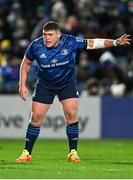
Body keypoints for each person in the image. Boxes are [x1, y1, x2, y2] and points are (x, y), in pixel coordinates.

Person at [16, 21, 131, 163]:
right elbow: (25, 62)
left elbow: (92, 43)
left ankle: (73, 152)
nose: (47, 38)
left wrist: (115, 42)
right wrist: (22, 84)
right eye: (45, 35)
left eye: (50, 35)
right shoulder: (36, 45)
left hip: (67, 84)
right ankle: (26, 153)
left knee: (71, 115)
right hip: (45, 84)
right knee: (35, 117)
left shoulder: (70, 41)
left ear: (59, 35)